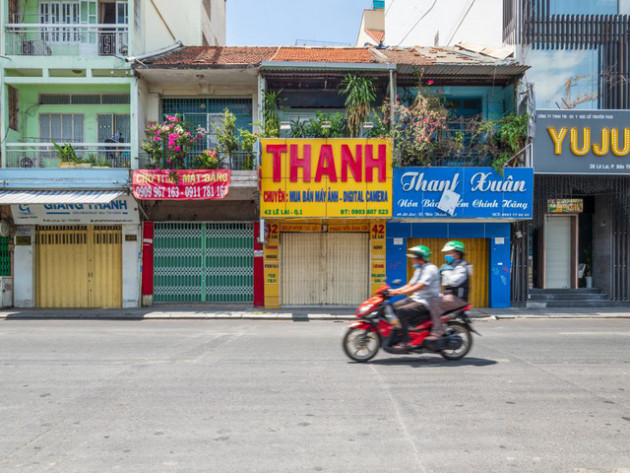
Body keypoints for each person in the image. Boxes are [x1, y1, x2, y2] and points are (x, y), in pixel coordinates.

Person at [388, 245, 444, 347]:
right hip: (417, 298)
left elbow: (420, 285)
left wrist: (402, 293)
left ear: (420, 258)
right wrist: (394, 291)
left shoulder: (430, 269)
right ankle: (407, 329)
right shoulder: (419, 270)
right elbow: (410, 284)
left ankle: (406, 341)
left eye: (413, 258)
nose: (411, 260)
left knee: (402, 312)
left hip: (427, 301)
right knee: (393, 306)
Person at [439, 240, 473, 313]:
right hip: (448, 296)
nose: (446, 255)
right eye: (446, 253)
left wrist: (446, 270)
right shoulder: (451, 265)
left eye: (449, 252)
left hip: (458, 299)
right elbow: (440, 281)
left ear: (458, 254)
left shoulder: (462, 267)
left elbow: (453, 282)